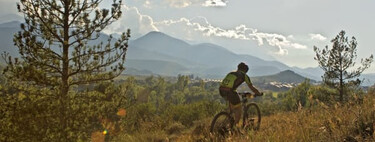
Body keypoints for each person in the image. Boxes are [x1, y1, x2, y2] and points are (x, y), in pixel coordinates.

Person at [219, 62, 262, 129]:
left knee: (232, 108)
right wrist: (258, 93)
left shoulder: (231, 73)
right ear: (246, 71)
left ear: (238, 68)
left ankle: (228, 122)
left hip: (221, 90)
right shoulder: (244, 75)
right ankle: (234, 128)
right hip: (230, 91)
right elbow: (252, 87)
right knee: (239, 109)